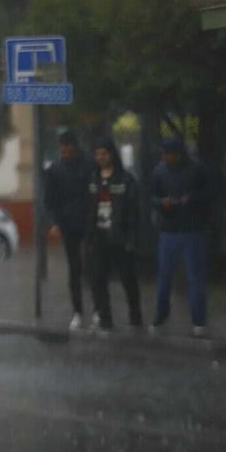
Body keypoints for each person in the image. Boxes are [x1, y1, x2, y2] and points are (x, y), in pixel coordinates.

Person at [150, 137, 212, 337]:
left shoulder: (197, 169)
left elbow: (210, 193)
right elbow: (151, 196)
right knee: (165, 277)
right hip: (170, 229)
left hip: (192, 229)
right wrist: (162, 203)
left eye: (169, 154)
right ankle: (161, 314)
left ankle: (198, 319)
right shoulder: (160, 171)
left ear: (178, 154)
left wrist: (191, 199)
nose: (166, 158)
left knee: (195, 277)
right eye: (165, 154)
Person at [86, 136, 143, 332]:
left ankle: (135, 317)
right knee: (98, 280)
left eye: (104, 154)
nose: (100, 158)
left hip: (120, 238)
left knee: (128, 279)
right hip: (99, 238)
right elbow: (88, 207)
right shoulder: (93, 178)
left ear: (111, 155)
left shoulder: (125, 180)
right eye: (97, 154)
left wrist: (131, 238)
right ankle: (105, 320)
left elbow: (134, 211)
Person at [44, 129, 95, 330]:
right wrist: (54, 223)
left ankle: (99, 310)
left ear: (75, 147)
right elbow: (49, 201)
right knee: (74, 269)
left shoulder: (89, 165)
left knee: (93, 267)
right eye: (62, 148)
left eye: (68, 148)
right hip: (68, 225)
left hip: (90, 224)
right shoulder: (55, 170)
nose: (65, 151)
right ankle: (78, 312)